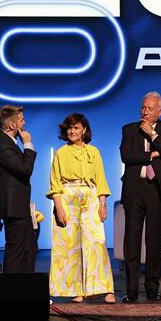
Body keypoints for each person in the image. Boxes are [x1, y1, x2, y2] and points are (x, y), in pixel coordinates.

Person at [48, 114, 115, 303]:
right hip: (67, 198)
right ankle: (74, 290)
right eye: (69, 128)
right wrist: (58, 207)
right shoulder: (61, 153)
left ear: (84, 129)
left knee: (96, 243)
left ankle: (104, 289)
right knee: (68, 246)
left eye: (76, 127)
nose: (72, 131)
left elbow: (101, 180)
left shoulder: (94, 152)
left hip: (90, 197)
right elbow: (55, 183)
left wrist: (102, 204)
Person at [119, 92, 161, 302]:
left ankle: (152, 288)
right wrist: (154, 153)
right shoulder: (129, 129)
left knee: (155, 242)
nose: (145, 111)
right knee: (132, 241)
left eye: (150, 108)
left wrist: (153, 136)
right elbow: (126, 156)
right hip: (135, 189)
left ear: (160, 111)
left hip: (158, 190)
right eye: (143, 107)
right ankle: (132, 290)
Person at [0, 105, 38, 273]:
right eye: (21, 120)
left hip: (18, 205)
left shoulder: (8, 142)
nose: (25, 122)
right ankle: (13, 292)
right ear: (12, 125)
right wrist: (28, 144)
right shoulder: (1, 144)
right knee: (16, 250)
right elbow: (25, 170)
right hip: (12, 206)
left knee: (28, 247)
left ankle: (27, 290)